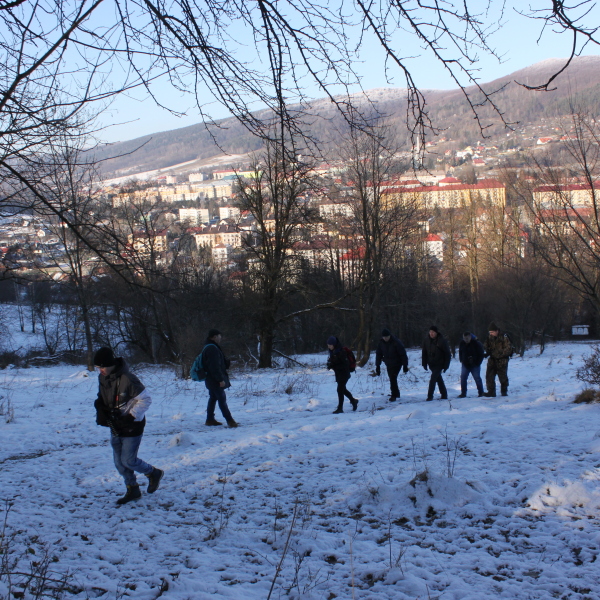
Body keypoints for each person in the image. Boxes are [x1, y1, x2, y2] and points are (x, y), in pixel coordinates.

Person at [93, 347, 164, 505]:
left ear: (110, 364)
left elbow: (146, 399)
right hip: (115, 424)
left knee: (129, 460)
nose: (100, 370)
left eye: (102, 366)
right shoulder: (103, 378)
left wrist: (132, 416)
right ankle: (132, 489)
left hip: (132, 425)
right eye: (97, 367)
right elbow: (103, 396)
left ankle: (153, 473)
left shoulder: (128, 378)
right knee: (119, 462)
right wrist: (101, 407)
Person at [202, 329, 238, 427]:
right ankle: (230, 421)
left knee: (213, 398)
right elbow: (214, 366)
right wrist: (220, 380)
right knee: (222, 399)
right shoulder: (212, 349)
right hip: (214, 380)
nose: (220, 338)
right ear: (214, 337)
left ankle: (210, 419)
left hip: (210, 379)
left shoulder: (208, 347)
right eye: (219, 336)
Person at [375, 328, 409, 401]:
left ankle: (394, 395)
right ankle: (397, 393)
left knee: (393, 378)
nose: (385, 338)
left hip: (397, 363)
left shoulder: (396, 342)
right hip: (388, 363)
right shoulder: (381, 343)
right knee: (392, 378)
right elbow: (378, 354)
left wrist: (405, 365)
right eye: (384, 337)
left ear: (390, 336)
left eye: (387, 337)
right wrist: (378, 366)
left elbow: (403, 354)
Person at [326, 335, 358, 414]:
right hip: (339, 373)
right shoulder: (333, 352)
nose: (329, 347)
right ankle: (353, 401)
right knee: (343, 390)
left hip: (344, 373)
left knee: (340, 390)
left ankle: (340, 408)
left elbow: (345, 364)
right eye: (328, 345)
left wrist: (333, 364)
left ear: (334, 344)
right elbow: (334, 362)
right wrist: (330, 365)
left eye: (330, 345)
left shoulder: (341, 352)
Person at [421, 325, 451, 401]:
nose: (431, 334)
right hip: (431, 363)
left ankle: (430, 396)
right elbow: (424, 352)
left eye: (433, 332)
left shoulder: (442, 341)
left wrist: (446, 365)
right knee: (438, 379)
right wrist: (424, 363)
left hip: (439, 363)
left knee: (433, 378)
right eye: (430, 332)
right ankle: (444, 394)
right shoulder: (426, 340)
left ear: (436, 333)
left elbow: (447, 353)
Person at [483, 322, 513, 397]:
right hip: (492, 359)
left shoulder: (504, 337)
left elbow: (508, 349)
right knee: (489, 376)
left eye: (492, 332)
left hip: (502, 360)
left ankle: (504, 391)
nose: (491, 334)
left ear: (497, 331)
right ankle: (491, 392)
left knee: (502, 377)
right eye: (490, 332)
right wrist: (487, 351)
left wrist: (498, 354)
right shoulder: (489, 337)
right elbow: (485, 345)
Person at [458, 331, 484, 398]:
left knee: (477, 378)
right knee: (463, 378)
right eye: (464, 338)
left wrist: (477, 363)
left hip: (475, 364)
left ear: (470, 337)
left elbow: (481, 354)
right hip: (465, 364)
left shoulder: (476, 343)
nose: (466, 340)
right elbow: (460, 352)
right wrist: (461, 360)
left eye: (467, 338)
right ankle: (463, 393)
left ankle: (481, 392)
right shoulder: (462, 343)